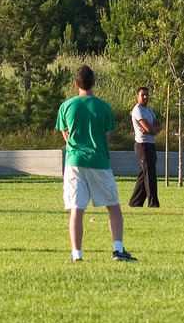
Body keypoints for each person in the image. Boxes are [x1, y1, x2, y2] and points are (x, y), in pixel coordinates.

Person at [55, 65, 136, 262]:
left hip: (74, 161)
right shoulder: (103, 107)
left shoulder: (66, 106)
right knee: (113, 206)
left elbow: (65, 134)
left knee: (77, 208)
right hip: (99, 161)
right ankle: (117, 249)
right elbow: (107, 134)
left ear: (76, 83)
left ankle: (77, 253)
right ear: (94, 82)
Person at [128, 86, 160, 208]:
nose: (146, 97)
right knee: (149, 174)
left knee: (144, 174)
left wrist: (152, 130)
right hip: (142, 145)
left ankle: (135, 202)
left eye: (147, 95)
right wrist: (151, 130)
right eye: (143, 95)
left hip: (151, 144)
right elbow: (148, 129)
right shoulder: (137, 110)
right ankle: (153, 203)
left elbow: (157, 126)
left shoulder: (149, 110)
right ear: (138, 96)